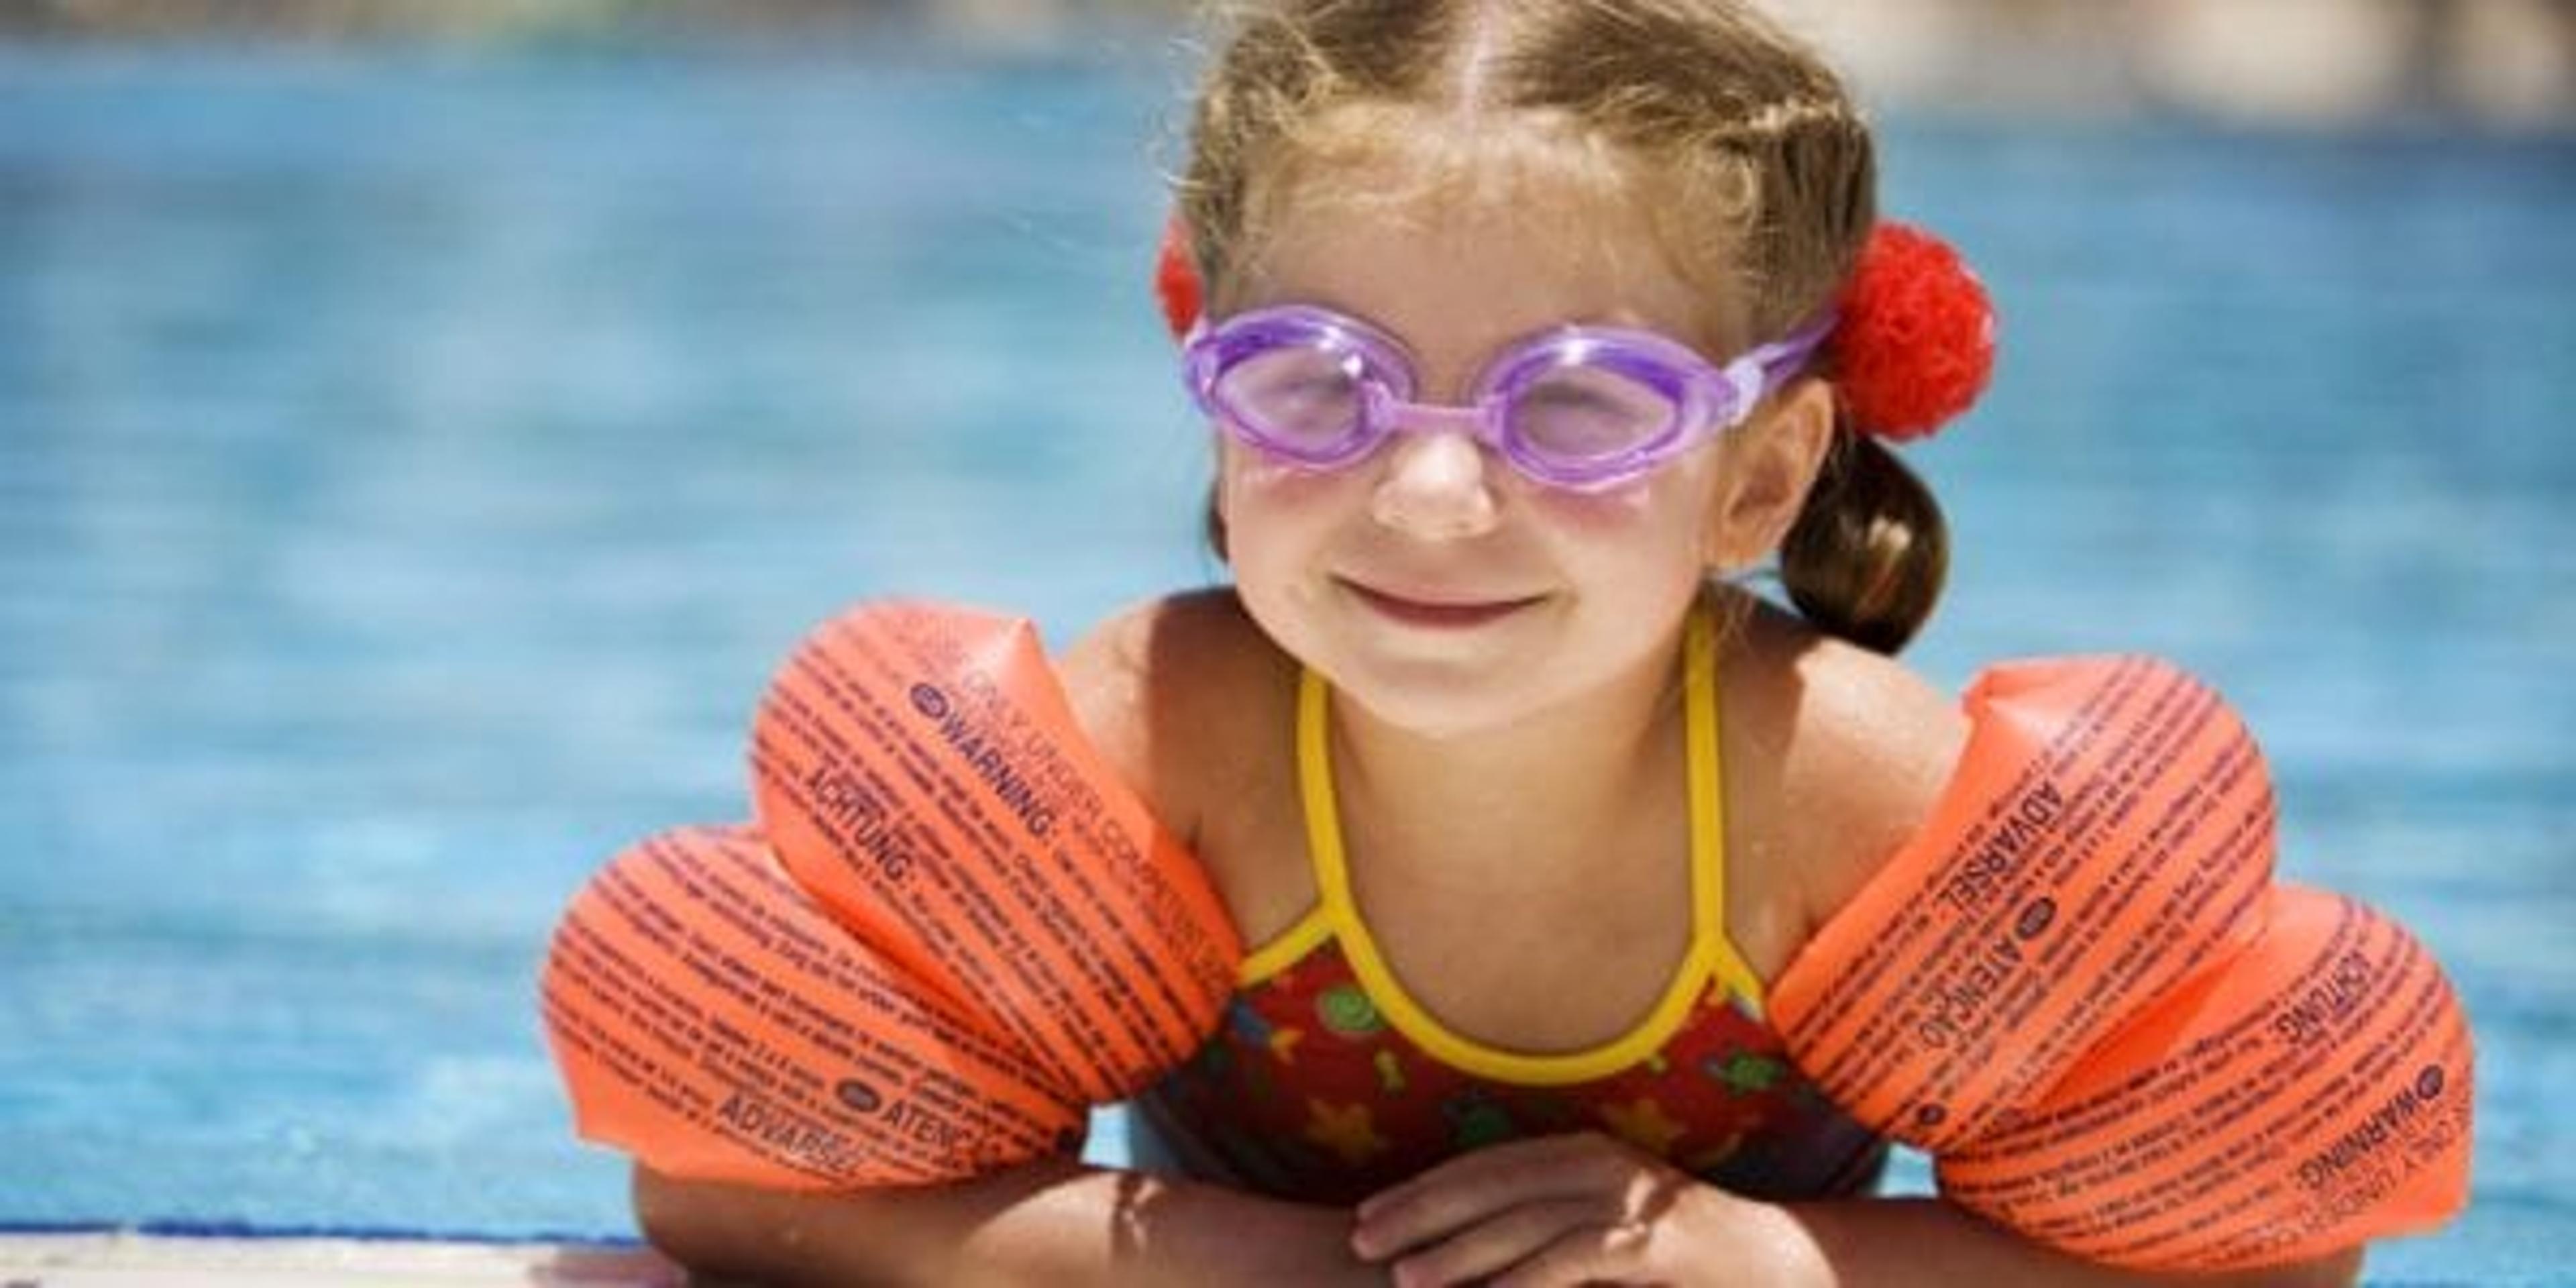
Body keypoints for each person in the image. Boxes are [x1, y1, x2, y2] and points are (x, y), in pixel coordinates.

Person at [623, 1, 2392, 1283]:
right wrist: (1262, 1266)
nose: (1435, 492)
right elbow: (729, 1193)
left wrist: (1781, 1268)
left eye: (1587, 407)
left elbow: (2270, 1256)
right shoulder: (1155, 743)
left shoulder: (1851, 802)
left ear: (1760, 477)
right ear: (1218, 408)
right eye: (1319, 384)